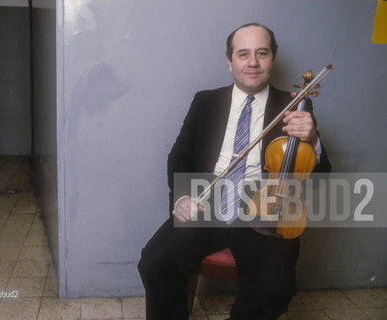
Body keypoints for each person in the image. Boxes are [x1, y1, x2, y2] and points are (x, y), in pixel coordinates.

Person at [137, 23, 331, 320]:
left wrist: (313, 140)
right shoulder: (205, 101)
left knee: (276, 286)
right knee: (154, 261)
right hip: (207, 203)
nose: (252, 62)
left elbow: (319, 178)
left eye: (261, 53)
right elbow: (179, 156)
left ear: (272, 59)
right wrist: (182, 197)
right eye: (243, 54)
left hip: (265, 210)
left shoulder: (293, 107)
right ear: (230, 63)